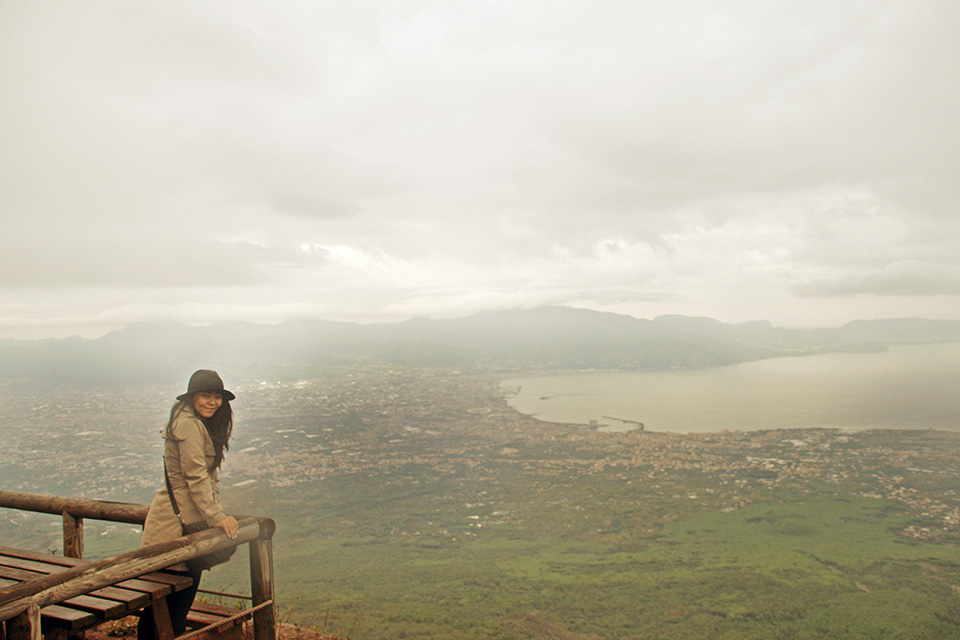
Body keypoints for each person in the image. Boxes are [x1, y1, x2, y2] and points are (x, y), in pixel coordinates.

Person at [138, 370, 240, 640]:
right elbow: (194, 476)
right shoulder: (188, 425)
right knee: (169, 607)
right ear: (193, 397)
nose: (212, 402)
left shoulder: (190, 421)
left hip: (183, 521)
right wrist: (217, 515)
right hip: (174, 526)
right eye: (206, 395)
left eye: (217, 396)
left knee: (169, 607)